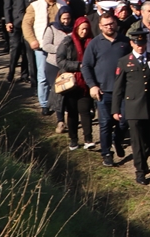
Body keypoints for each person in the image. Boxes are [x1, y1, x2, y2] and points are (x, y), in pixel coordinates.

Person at [112, 23, 150, 185]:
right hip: (133, 107)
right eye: (137, 44)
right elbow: (118, 88)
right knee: (137, 140)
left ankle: (143, 159)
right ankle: (140, 170)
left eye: (143, 43)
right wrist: (115, 109)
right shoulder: (124, 61)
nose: (140, 47)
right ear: (132, 44)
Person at [82, 12, 130, 167]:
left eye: (112, 23)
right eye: (106, 24)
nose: (110, 26)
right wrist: (92, 85)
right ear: (100, 26)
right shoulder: (95, 44)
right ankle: (106, 153)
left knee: (124, 121)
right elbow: (86, 66)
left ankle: (118, 139)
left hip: (123, 91)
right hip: (103, 91)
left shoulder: (125, 41)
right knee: (105, 123)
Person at [56, 16, 96, 151]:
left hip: (86, 82)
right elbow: (60, 60)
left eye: (86, 29)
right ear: (77, 28)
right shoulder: (67, 42)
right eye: (82, 29)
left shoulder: (92, 42)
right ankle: (73, 140)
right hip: (70, 82)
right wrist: (79, 66)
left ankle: (88, 139)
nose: (84, 32)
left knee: (85, 111)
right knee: (72, 112)